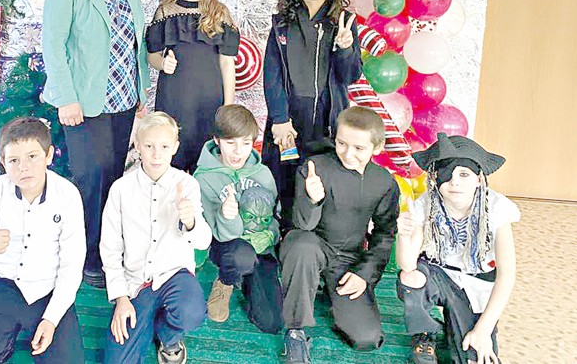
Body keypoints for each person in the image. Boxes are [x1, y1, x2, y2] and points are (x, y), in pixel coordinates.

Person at [42, 0, 150, 288]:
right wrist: (65, 98)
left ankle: (108, 250)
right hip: (83, 100)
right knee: (91, 178)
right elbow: (53, 44)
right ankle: (88, 256)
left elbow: (135, 39)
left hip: (123, 95)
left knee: (113, 176)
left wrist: (141, 87)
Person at [0, 117, 85, 363]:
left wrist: (51, 319)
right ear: (3, 162)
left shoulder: (67, 195)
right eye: (14, 160)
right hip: (0, 283)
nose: (24, 167)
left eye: (32, 157)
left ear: (49, 155)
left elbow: (72, 264)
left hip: (48, 289)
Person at [280, 106, 399, 363]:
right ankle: (295, 330)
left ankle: (328, 293)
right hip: (311, 245)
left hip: (348, 258)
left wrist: (364, 274)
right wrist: (313, 200)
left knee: (367, 338)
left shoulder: (384, 182)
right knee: (302, 246)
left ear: (377, 148)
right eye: (342, 143)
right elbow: (302, 225)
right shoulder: (315, 167)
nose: (347, 153)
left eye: (359, 148)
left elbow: (385, 234)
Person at [396, 133, 519, 364]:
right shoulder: (427, 203)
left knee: (474, 357)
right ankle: (425, 334)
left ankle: (455, 329)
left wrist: (483, 329)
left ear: (479, 179)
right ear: (435, 177)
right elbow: (408, 265)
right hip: (438, 274)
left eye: (464, 174)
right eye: (447, 174)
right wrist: (404, 236)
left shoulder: (497, 208)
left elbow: (507, 275)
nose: (454, 182)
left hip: (477, 284)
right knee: (411, 279)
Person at [100, 112, 211, 364]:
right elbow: (110, 248)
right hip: (137, 284)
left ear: (175, 148)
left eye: (164, 147)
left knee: (191, 311)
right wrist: (121, 299)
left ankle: (168, 336)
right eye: (149, 146)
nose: (156, 154)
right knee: (117, 361)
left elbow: (203, 242)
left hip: (174, 276)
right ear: (137, 146)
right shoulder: (121, 189)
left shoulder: (187, 184)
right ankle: (146, 319)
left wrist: (190, 221)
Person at [262, 0, 362, 228]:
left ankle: (318, 239)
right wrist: (279, 119)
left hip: (327, 121)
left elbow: (350, 76)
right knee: (283, 180)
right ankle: (283, 236)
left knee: (322, 183)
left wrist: (345, 48)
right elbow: (272, 74)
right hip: (289, 120)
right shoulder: (282, 23)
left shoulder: (343, 22)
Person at [146, 0, 240, 172]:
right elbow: (151, 56)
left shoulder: (219, 13)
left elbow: (227, 63)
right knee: (173, 164)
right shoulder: (165, 11)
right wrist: (162, 63)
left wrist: (228, 105)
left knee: (207, 165)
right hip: (174, 99)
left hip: (209, 101)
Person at [193, 104, 283, 333]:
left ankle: (245, 280)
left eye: (245, 143)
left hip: (259, 247)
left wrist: (270, 235)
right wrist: (227, 215)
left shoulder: (262, 173)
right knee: (241, 256)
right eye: (230, 143)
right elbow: (218, 234)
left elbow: (275, 215)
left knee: (271, 322)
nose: (238, 152)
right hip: (228, 247)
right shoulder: (204, 178)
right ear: (217, 140)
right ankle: (225, 282)